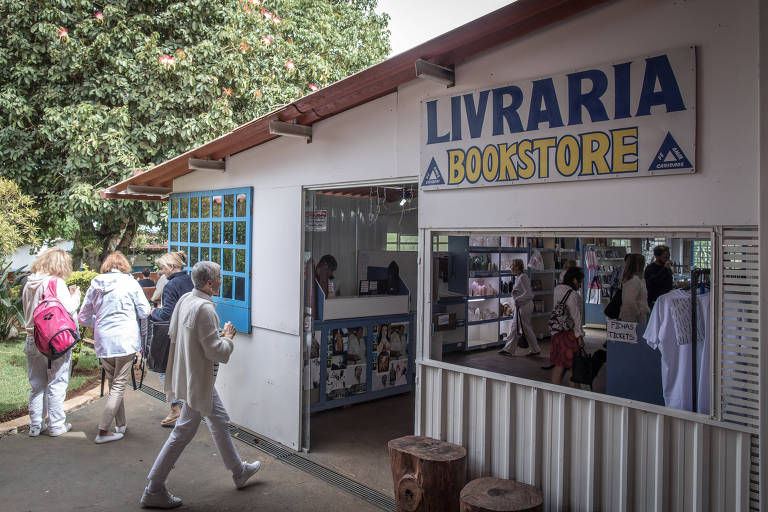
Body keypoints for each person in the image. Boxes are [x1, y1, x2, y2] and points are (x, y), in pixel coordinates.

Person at [141, 261, 261, 508]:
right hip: (198, 380)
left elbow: (178, 334)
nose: (221, 280)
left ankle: (239, 471)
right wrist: (227, 337)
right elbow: (216, 352)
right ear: (209, 283)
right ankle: (154, 487)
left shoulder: (186, 299)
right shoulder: (205, 309)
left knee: (219, 421)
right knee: (182, 432)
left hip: (192, 376)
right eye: (219, 277)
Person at [78, 251, 151, 444]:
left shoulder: (95, 283)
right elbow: (144, 310)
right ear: (124, 266)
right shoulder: (130, 283)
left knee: (114, 384)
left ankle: (121, 425)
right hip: (125, 339)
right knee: (119, 385)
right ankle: (103, 430)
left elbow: (83, 317)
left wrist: (101, 321)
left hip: (103, 340)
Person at [22, 248, 81, 437]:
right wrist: (76, 296)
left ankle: (35, 425)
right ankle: (56, 425)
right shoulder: (56, 282)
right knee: (57, 381)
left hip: (32, 338)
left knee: (37, 383)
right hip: (53, 340)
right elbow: (67, 309)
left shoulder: (28, 283)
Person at [151, 251, 194, 427]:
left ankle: (175, 407)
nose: (162, 272)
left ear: (170, 267)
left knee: (164, 370)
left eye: (162, 268)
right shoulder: (190, 280)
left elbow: (167, 314)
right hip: (189, 330)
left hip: (172, 333)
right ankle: (187, 408)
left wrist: (153, 312)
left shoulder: (171, 285)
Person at [550, 267, 585, 387]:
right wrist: (579, 336)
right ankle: (573, 395)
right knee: (573, 367)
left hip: (556, 333)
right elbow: (576, 317)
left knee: (559, 364)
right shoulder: (573, 294)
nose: (580, 285)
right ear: (575, 280)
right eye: (580, 281)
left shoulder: (557, 289)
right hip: (568, 334)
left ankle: (555, 391)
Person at [498, 259, 540, 356]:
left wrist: (518, 299)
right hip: (521, 306)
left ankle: (535, 349)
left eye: (512, 265)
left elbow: (529, 294)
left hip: (524, 306)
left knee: (525, 327)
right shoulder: (519, 277)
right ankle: (509, 349)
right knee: (516, 327)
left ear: (517, 266)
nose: (510, 267)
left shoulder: (522, 277)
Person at [619, 253, 650, 323]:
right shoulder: (633, 280)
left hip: (637, 317)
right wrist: (638, 313)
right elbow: (629, 301)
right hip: (633, 318)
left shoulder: (638, 279)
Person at [645, 245, 674, 309]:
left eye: (668, 257)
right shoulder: (650, 268)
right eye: (665, 258)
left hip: (666, 301)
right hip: (654, 302)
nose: (667, 260)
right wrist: (664, 269)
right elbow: (653, 283)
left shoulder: (666, 267)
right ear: (657, 256)